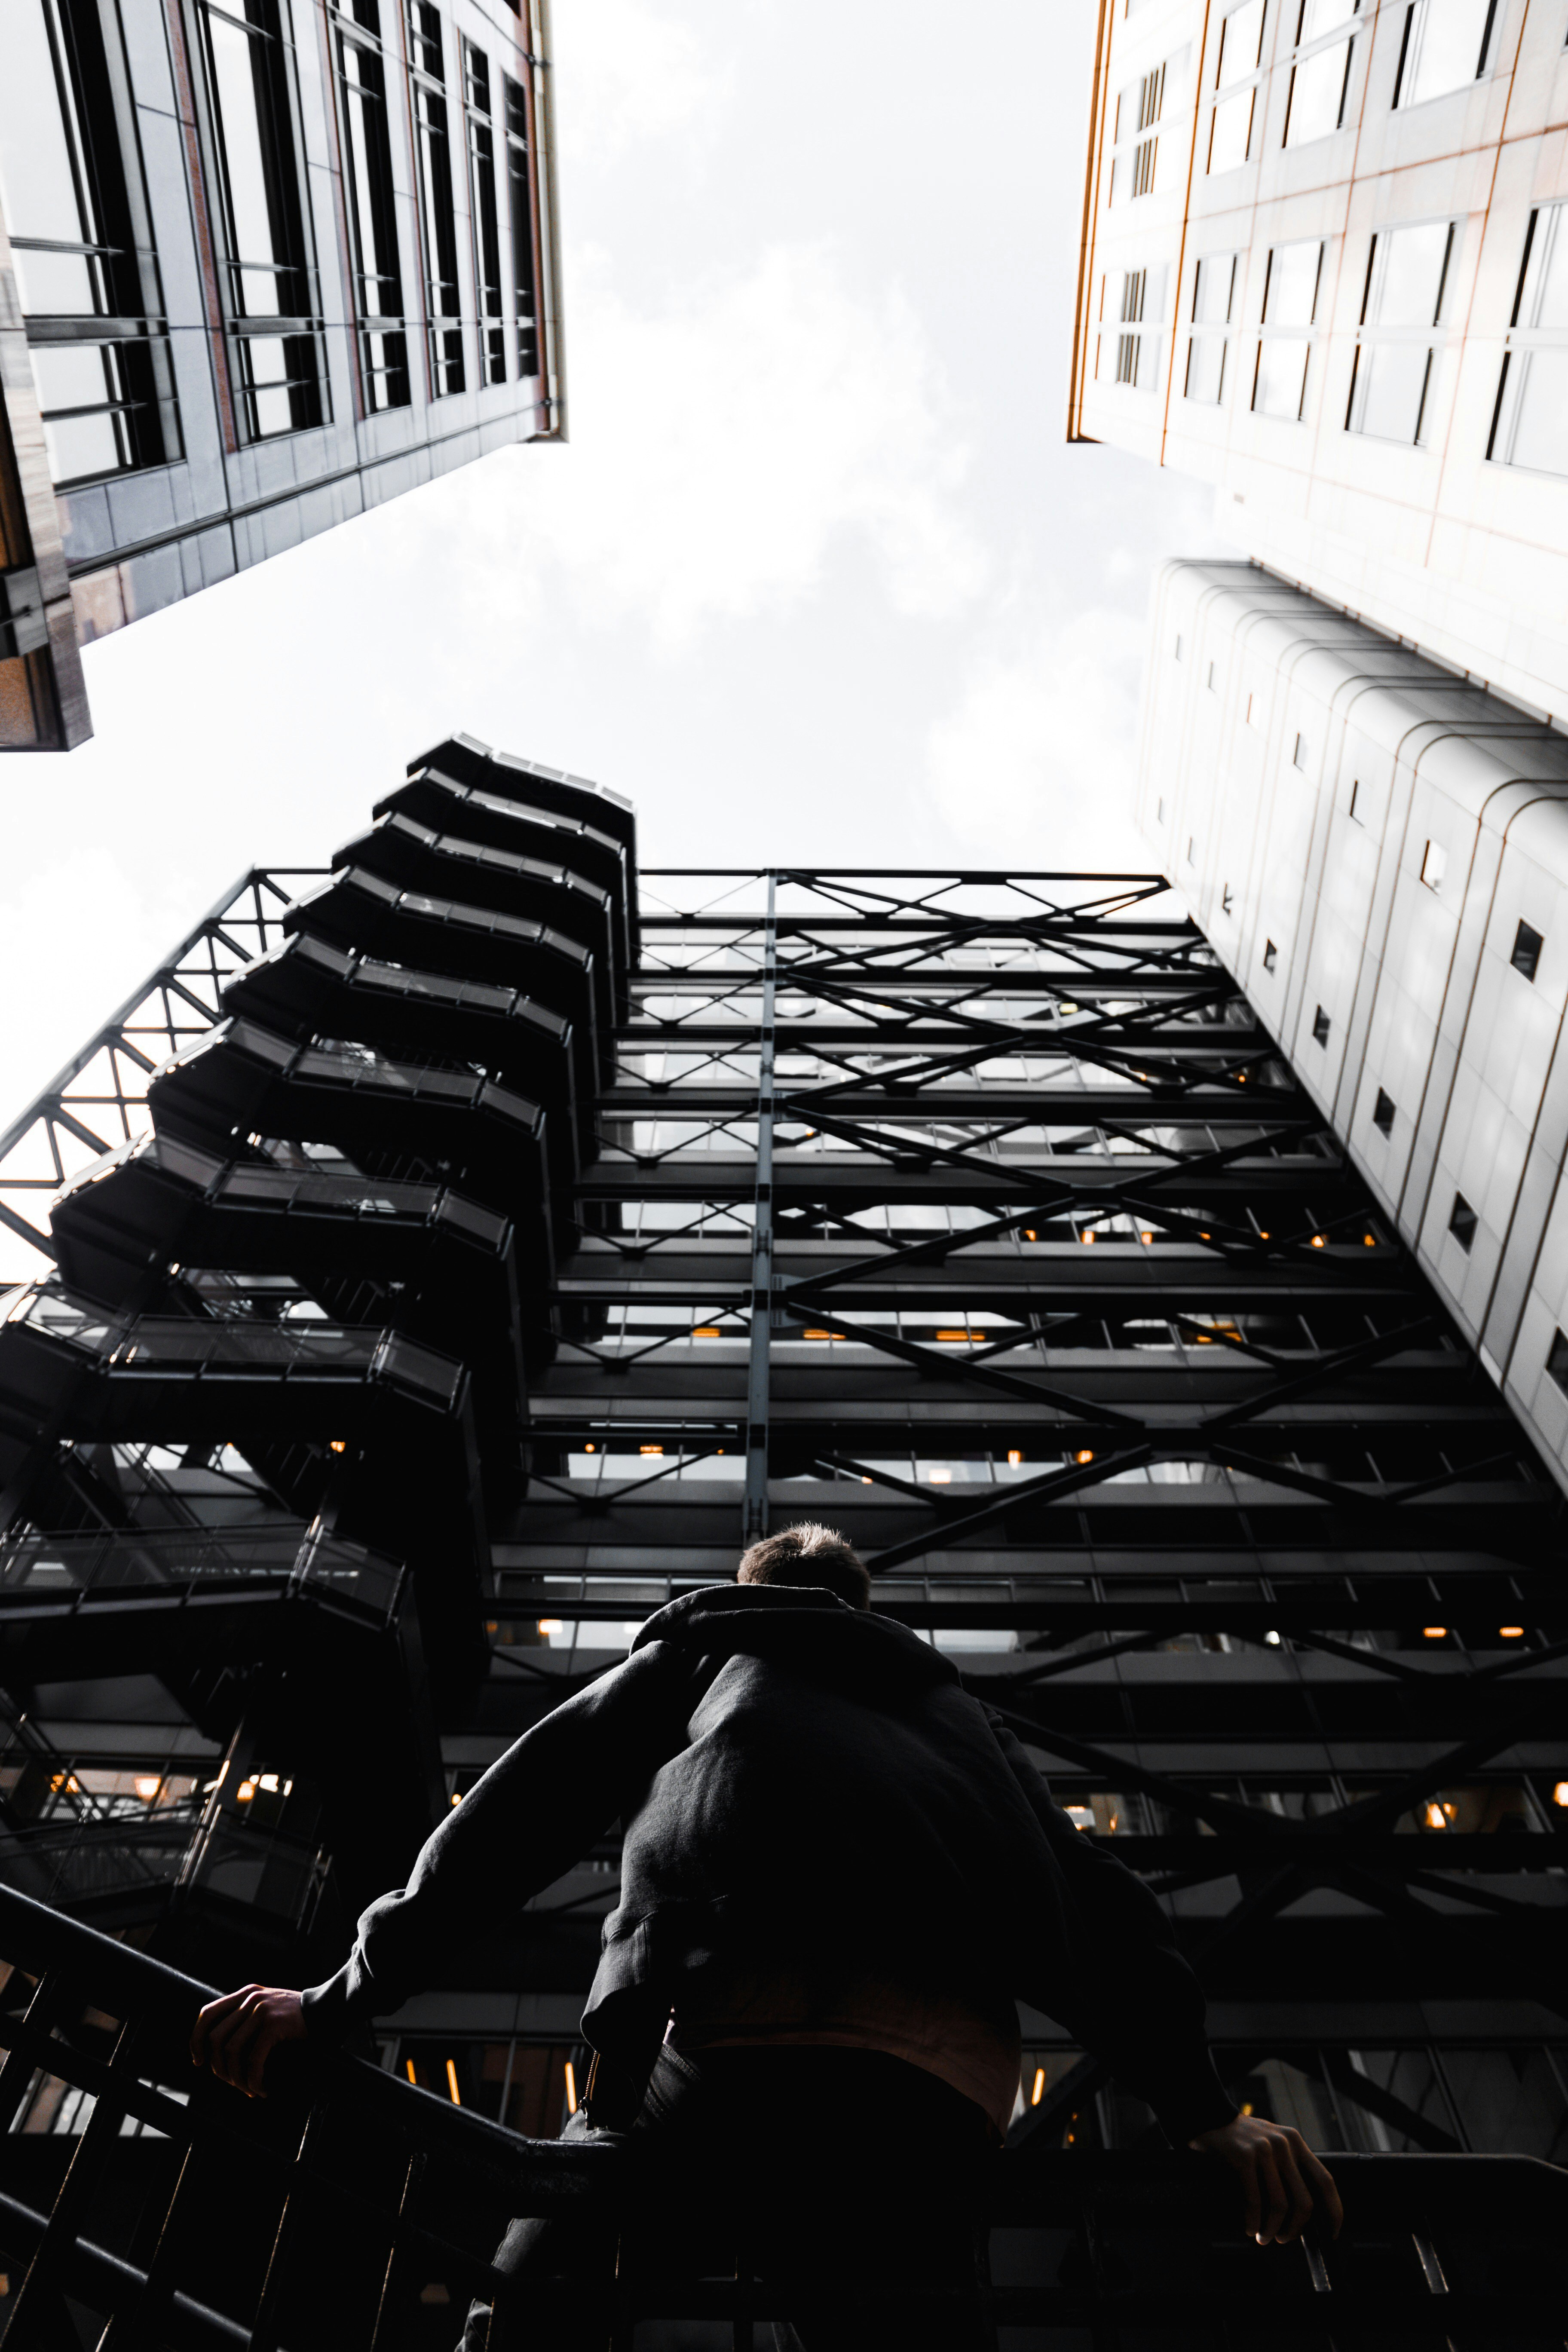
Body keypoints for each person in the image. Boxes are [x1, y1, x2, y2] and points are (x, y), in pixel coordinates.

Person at [193, 1522, 1341, 2346]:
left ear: (749, 1589)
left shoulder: (707, 1653)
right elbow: (1092, 1903)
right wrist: (1205, 2114)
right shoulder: (959, 1718)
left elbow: (517, 1816)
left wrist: (342, 1998)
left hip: (725, 2060)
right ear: (859, 1606)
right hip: (932, 2088)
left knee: (536, 2292)